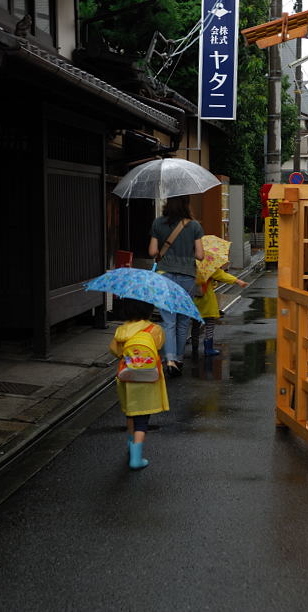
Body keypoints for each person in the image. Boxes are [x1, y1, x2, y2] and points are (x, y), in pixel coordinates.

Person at [109, 298, 169, 470]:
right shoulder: (154, 329)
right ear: (149, 310)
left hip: (128, 378)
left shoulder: (121, 331)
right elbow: (159, 346)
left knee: (131, 411)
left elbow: (115, 351)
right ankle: (136, 457)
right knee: (142, 418)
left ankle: (130, 443)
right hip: (148, 379)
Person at [148, 195, 204, 377]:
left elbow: (152, 252)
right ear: (186, 205)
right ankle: (179, 359)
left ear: (168, 203)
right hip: (187, 276)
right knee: (183, 321)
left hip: (164, 276)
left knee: (168, 321)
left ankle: (170, 359)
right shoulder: (194, 226)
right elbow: (200, 255)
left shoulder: (158, 223)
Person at [191, 267, 248, 357]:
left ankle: (194, 347)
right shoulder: (207, 266)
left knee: (195, 325)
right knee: (209, 324)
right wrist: (237, 281)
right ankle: (208, 348)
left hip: (193, 299)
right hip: (206, 300)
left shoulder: (189, 264)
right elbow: (222, 275)